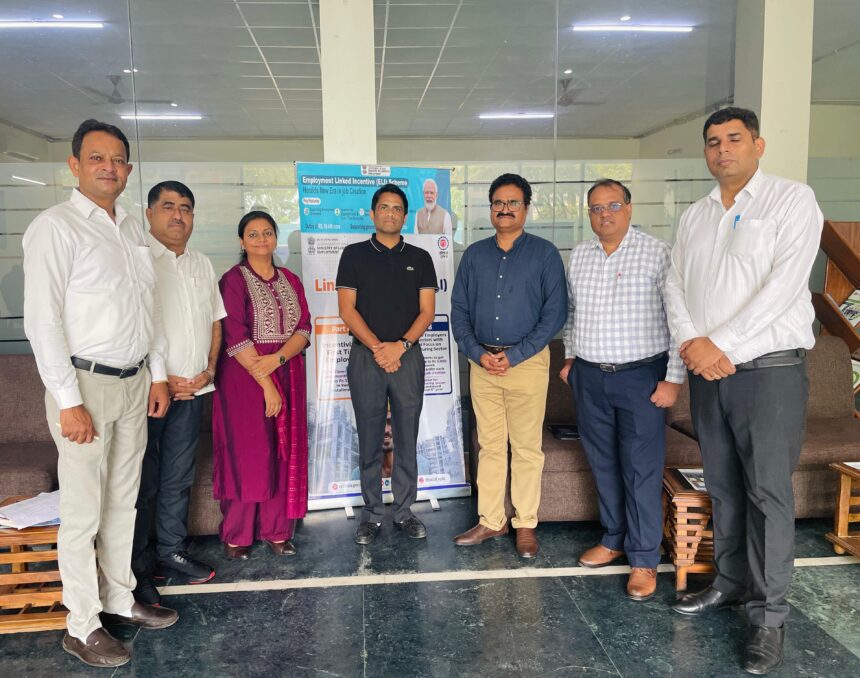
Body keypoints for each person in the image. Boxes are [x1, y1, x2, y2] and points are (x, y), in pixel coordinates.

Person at [664, 107, 823, 675]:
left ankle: (769, 616)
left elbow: (783, 287)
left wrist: (720, 343)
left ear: (758, 144)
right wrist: (693, 343)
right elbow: (674, 283)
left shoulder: (792, 200)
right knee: (725, 487)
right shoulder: (696, 215)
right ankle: (729, 584)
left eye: (734, 139)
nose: (722, 149)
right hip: (709, 374)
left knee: (767, 494)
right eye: (713, 141)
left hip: (768, 373)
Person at [22, 119, 177, 668]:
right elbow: (42, 321)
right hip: (83, 384)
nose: (108, 167)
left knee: (122, 500)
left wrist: (157, 373)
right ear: (74, 165)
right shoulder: (55, 227)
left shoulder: (132, 228)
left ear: (128, 170)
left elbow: (148, 309)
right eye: (96, 158)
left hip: (134, 382)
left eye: (117, 159)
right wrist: (68, 400)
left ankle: (118, 597)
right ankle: (81, 623)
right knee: (83, 508)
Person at [559, 179, 684, 600]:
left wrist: (673, 378)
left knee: (641, 468)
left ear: (629, 208)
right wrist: (571, 358)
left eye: (612, 205)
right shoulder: (580, 255)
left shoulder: (658, 253)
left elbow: (678, 319)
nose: (604, 214)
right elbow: (572, 313)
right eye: (596, 208)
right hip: (590, 376)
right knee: (603, 462)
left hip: (641, 377)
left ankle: (644, 558)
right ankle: (613, 538)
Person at [451, 173, 567, 558]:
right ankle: (491, 519)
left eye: (513, 202)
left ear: (526, 208)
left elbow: (555, 314)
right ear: (491, 209)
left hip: (527, 363)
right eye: (498, 202)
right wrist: (476, 353)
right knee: (489, 445)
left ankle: (526, 523)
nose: (505, 209)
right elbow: (459, 311)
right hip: (482, 363)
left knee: (527, 447)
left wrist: (515, 355)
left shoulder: (545, 254)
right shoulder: (474, 256)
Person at [130, 181, 225, 605]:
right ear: (150, 213)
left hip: (194, 390)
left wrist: (208, 371)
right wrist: (161, 378)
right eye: (168, 206)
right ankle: (137, 569)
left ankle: (171, 551)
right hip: (150, 392)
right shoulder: (138, 260)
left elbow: (215, 321)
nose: (178, 215)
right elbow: (137, 326)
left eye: (185, 208)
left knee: (178, 477)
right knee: (141, 482)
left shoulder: (201, 263)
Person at [336, 183, 437, 545]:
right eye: (384, 207)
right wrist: (380, 348)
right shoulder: (354, 255)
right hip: (367, 357)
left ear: (405, 217)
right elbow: (347, 310)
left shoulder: (421, 258)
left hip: (408, 357)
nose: (390, 213)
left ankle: (405, 511)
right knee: (370, 437)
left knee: (406, 437)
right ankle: (372, 514)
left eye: (397, 208)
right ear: (373, 213)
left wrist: (401, 346)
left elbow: (427, 312)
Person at [213, 211, 311, 560]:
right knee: (250, 454)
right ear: (242, 241)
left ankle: (277, 531)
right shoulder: (233, 280)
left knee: (284, 452)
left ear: (275, 237)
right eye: (252, 234)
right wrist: (267, 383)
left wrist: (279, 360)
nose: (260, 239)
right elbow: (235, 336)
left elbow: (304, 328)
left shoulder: (290, 279)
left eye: (267, 232)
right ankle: (237, 535)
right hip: (245, 380)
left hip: (287, 373)